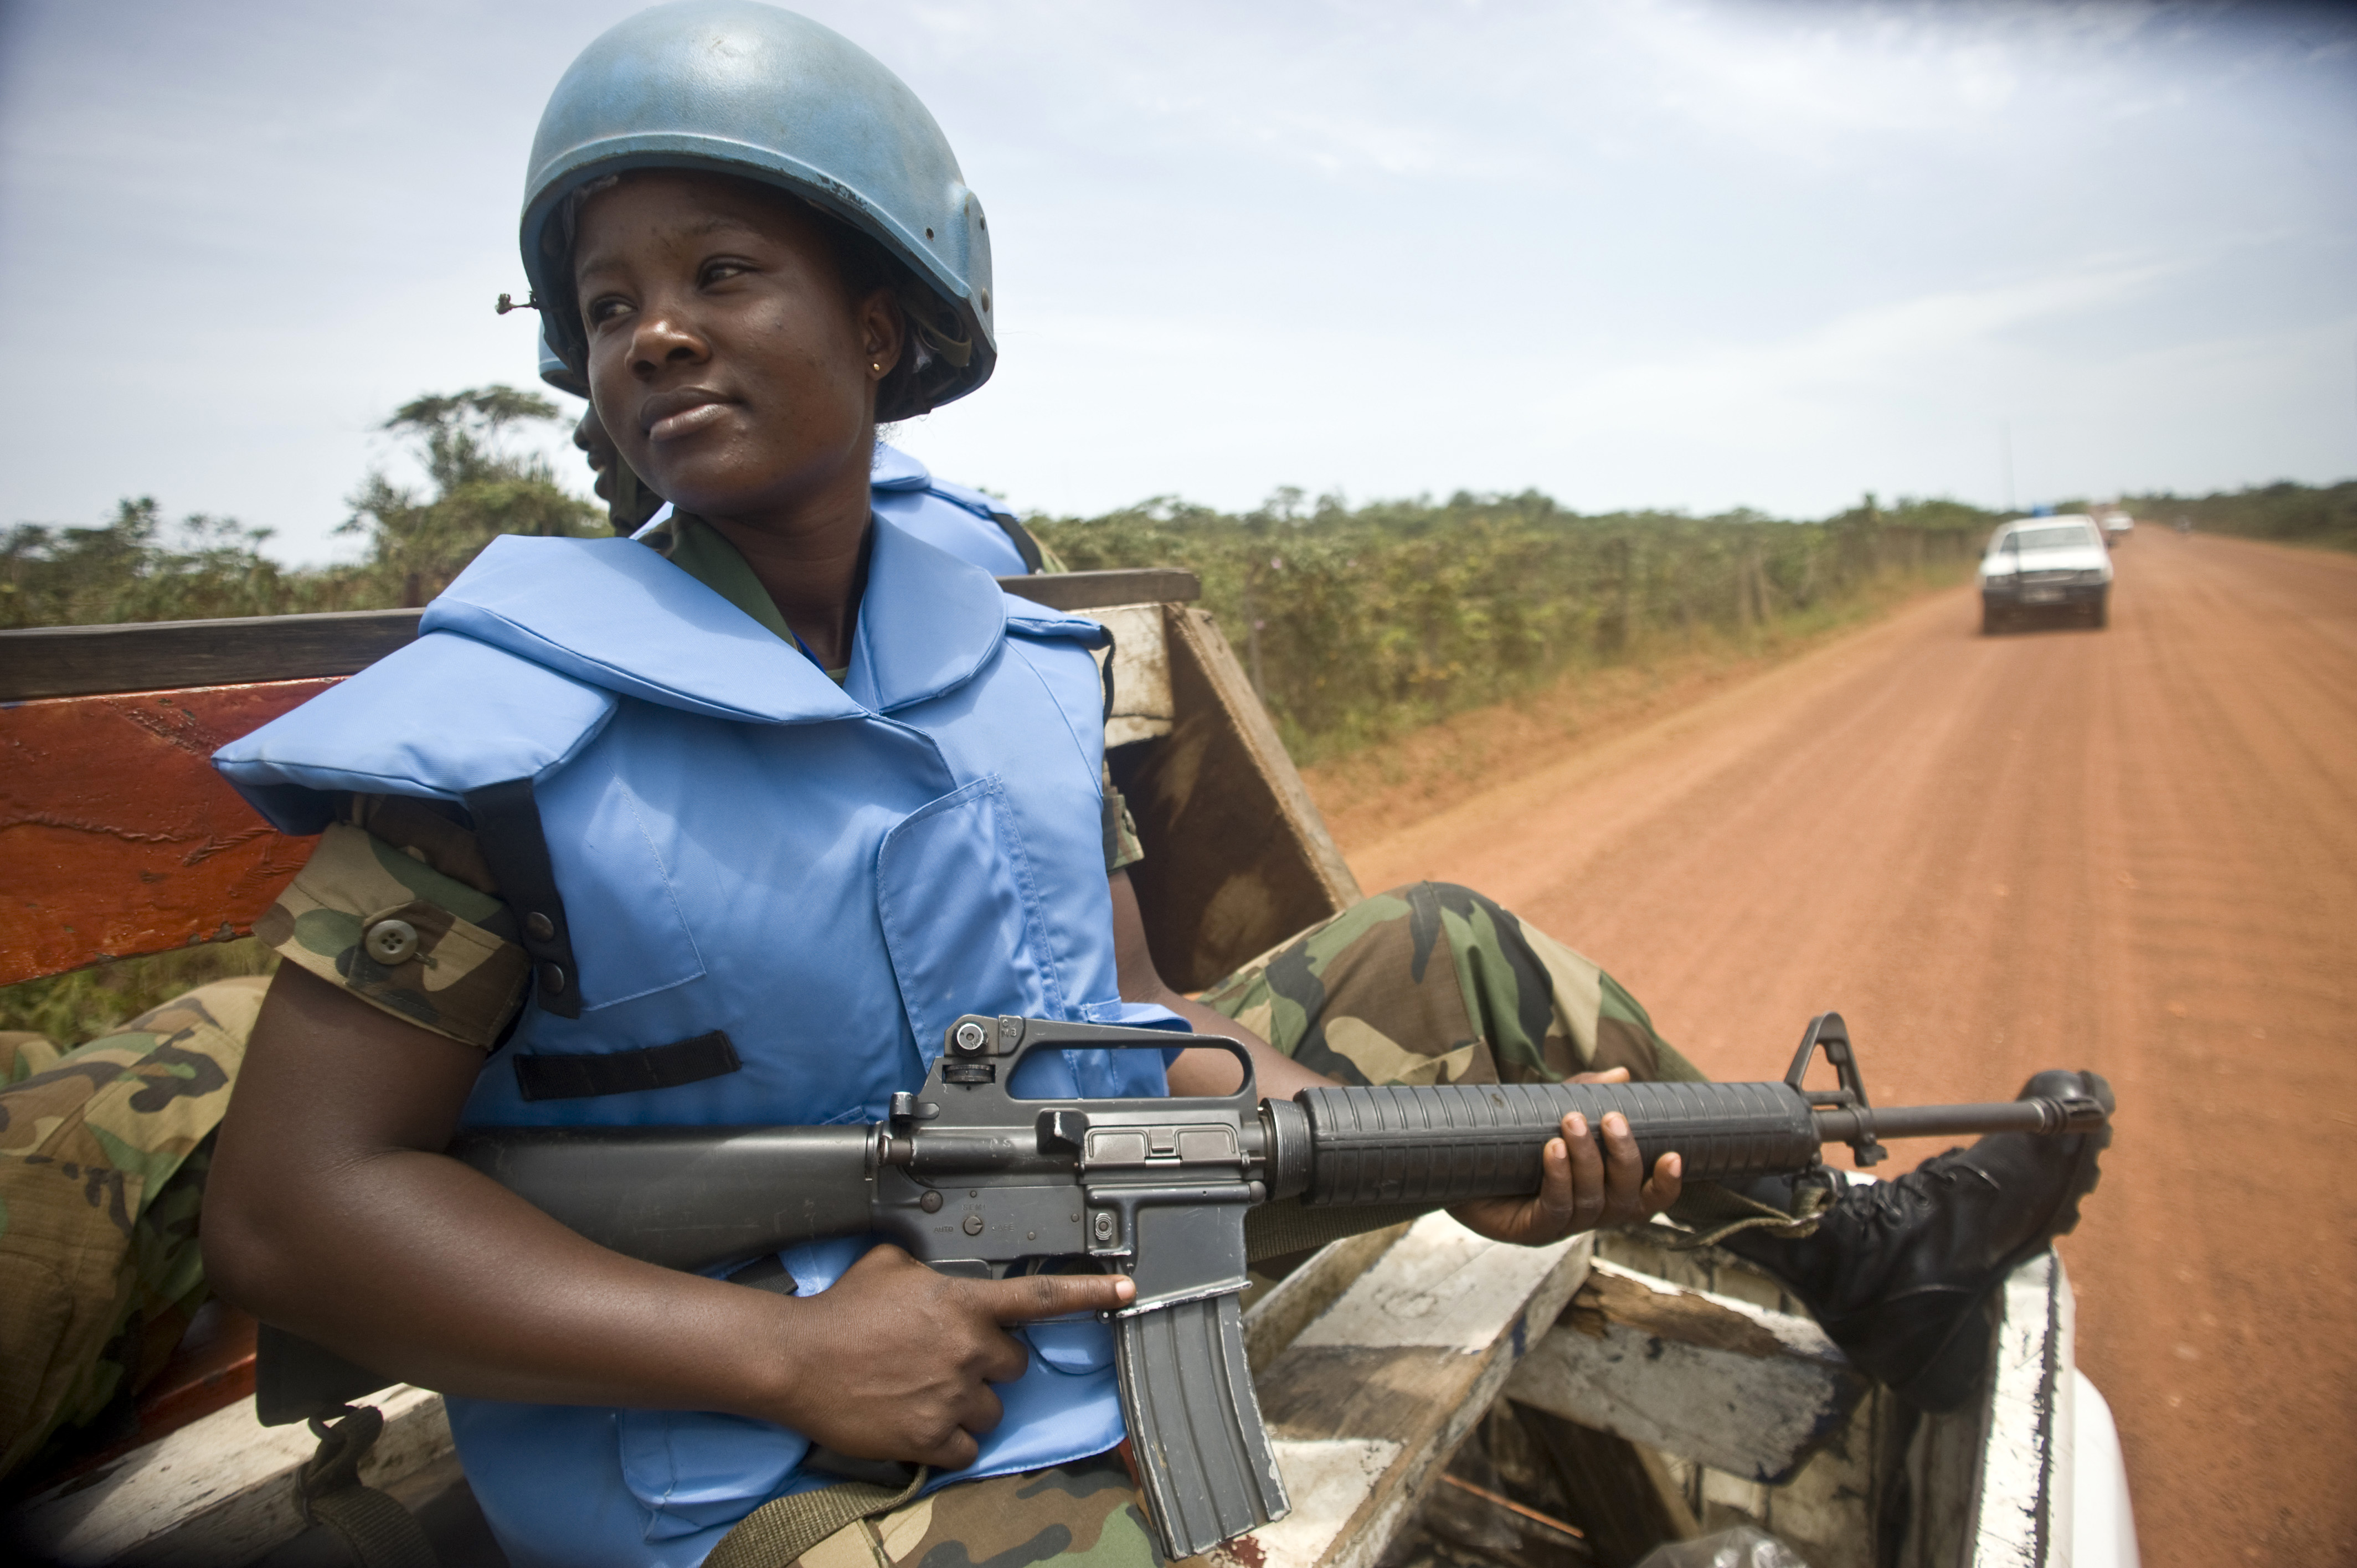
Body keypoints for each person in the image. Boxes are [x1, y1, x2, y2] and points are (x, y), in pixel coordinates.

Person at [199, 7, 2111, 1567]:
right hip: (715, 1437)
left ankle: (1830, 1242)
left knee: (1460, 970)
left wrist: (1475, 1171)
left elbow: (1127, 1032)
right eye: (610, 306)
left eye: (723, 270)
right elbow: (294, 1212)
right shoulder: (506, 732)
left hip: (1053, 1281)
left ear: (882, 323)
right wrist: (777, 1354)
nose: (659, 330)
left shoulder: (1012, 665)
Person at [539, 324, 1056, 574]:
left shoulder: (642, 587)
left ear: (875, 335)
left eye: (723, 275)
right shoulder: (998, 527)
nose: (585, 435)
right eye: (610, 312)